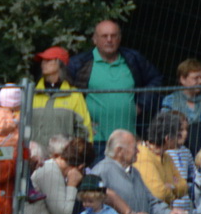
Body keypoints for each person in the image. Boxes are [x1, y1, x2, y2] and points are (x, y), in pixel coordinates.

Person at [65, 19, 162, 151]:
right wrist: (80, 122)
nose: (109, 40)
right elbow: (66, 95)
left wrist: (141, 104)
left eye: (113, 35)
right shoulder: (79, 63)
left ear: (120, 38)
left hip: (129, 139)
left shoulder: (133, 59)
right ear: (95, 39)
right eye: (104, 36)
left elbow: (155, 80)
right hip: (94, 141)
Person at [28, 46, 91, 145]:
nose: (44, 63)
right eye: (43, 60)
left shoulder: (74, 95)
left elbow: (84, 128)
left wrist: (83, 154)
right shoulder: (33, 94)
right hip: (35, 157)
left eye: (48, 60)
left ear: (60, 63)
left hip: (64, 158)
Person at [162, 59, 201, 150]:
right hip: (179, 147)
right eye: (196, 78)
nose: (200, 81)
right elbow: (165, 126)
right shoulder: (170, 100)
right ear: (182, 79)